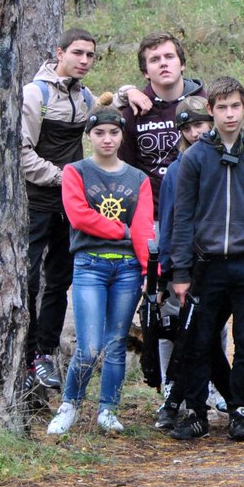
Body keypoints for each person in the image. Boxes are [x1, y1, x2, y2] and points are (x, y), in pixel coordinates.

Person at [168, 77, 244, 442]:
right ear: (211, 111)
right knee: (200, 341)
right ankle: (196, 412)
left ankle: (241, 410)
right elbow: (183, 216)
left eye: (235, 106)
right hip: (207, 265)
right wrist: (181, 270)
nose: (229, 114)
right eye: (221, 108)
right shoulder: (196, 157)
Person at [46, 110, 154, 436]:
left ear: (122, 136)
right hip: (90, 265)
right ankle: (70, 405)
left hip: (127, 270)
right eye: (100, 133)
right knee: (89, 346)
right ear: (89, 136)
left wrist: (148, 269)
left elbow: (144, 227)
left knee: (116, 343)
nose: (107, 139)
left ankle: (108, 409)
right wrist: (120, 231)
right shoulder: (75, 172)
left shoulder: (139, 179)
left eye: (113, 133)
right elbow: (79, 217)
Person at [22, 28, 98, 390]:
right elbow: (22, 153)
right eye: (78, 53)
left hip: (68, 206)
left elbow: (107, 116)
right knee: (28, 279)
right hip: (35, 202)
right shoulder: (35, 94)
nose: (84, 61)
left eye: (90, 56)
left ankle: (45, 353)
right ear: (60, 53)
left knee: (59, 280)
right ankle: (23, 355)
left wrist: (130, 93)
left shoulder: (83, 96)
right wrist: (63, 177)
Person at [151, 98, 232, 431]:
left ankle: (218, 392)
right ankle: (175, 394)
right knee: (181, 331)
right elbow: (170, 220)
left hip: (221, 261)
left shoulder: (228, 159)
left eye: (201, 124)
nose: (197, 132)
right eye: (188, 127)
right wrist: (168, 270)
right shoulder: (176, 169)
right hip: (186, 265)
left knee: (211, 331)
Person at [114, 32, 206, 213]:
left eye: (169, 57)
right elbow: (125, 169)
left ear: (182, 64)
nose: (163, 63)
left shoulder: (204, 105)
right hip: (152, 213)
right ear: (145, 72)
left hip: (201, 210)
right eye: (155, 59)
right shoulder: (133, 111)